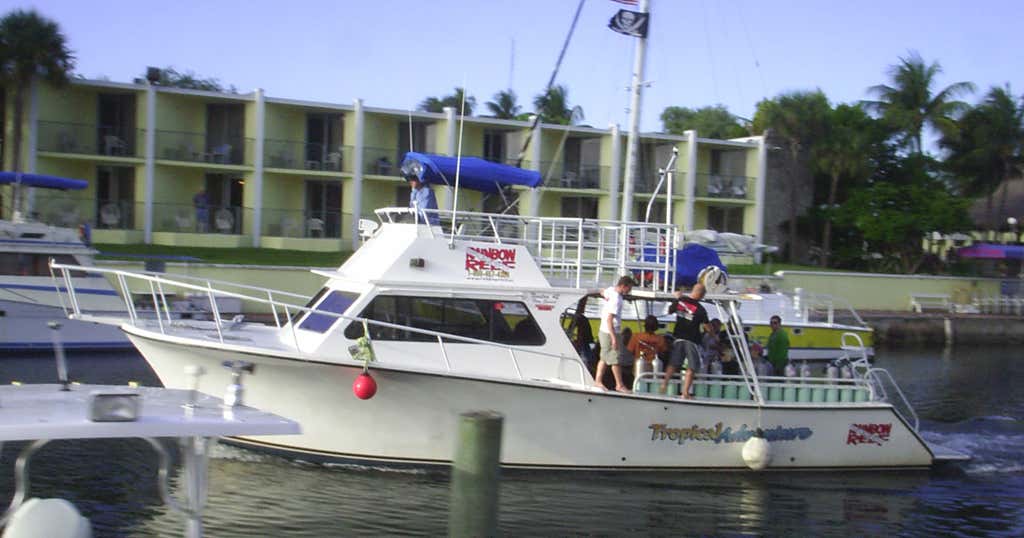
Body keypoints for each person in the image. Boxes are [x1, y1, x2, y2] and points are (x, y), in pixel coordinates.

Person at [666, 283, 710, 398]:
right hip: (691, 340)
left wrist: (677, 299)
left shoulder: (681, 300)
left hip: (678, 338)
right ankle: (685, 392)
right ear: (702, 295)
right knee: (692, 366)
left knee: (673, 363)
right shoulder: (701, 309)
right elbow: (707, 327)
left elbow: (670, 311)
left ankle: (664, 384)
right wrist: (713, 334)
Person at [594, 275, 634, 393]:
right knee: (615, 359)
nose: (629, 291)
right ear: (623, 286)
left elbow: (602, 292)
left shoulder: (611, 290)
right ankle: (619, 385)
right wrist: (614, 338)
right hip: (610, 331)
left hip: (603, 330)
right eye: (629, 289)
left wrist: (605, 297)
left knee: (604, 357)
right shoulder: (616, 299)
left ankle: (598, 380)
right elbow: (609, 319)